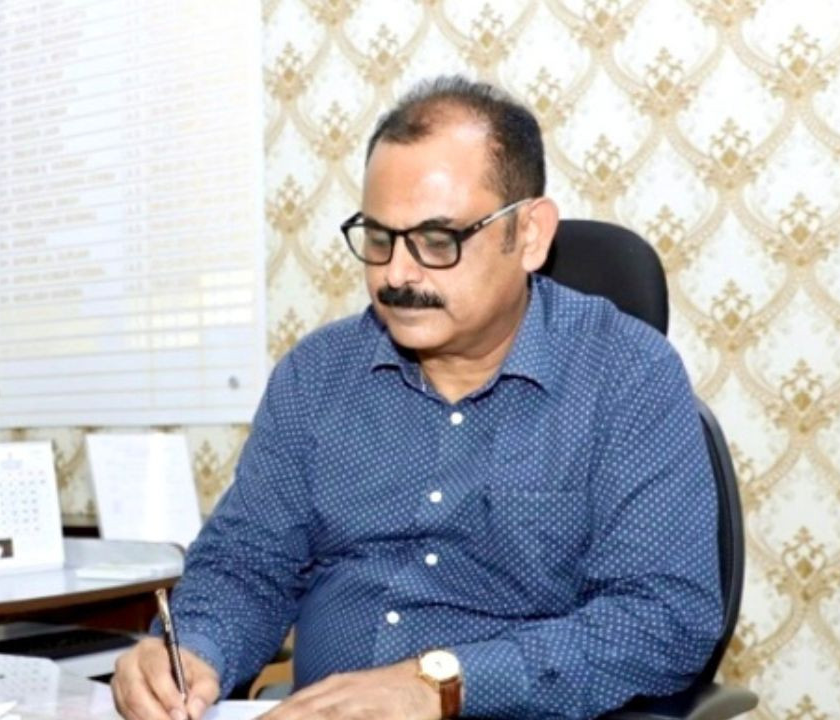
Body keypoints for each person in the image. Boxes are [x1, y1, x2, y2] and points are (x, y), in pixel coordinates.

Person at [112, 76, 723, 720]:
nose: (397, 274)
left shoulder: (626, 374)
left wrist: (440, 685)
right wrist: (193, 652)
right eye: (379, 238)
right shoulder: (317, 375)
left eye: (437, 241)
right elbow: (247, 566)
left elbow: (665, 618)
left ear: (530, 234)